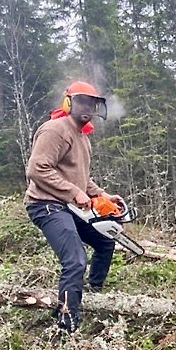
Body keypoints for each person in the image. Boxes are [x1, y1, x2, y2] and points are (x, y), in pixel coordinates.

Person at [24, 80, 122, 332]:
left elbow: (80, 176)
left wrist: (103, 196)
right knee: (75, 260)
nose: (87, 107)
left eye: (91, 103)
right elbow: (36, 169)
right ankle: (67, 321)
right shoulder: (55, 130)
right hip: (45, 204)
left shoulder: (82, 137)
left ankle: (92, 290)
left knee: (104, 241)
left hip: (66, 206)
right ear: (68, 102)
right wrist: (74, 192)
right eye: (81, 102)